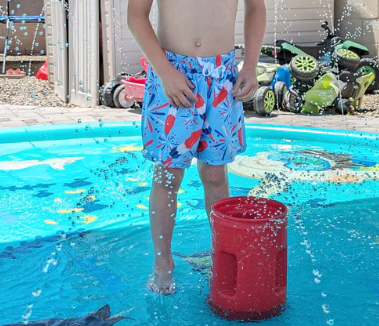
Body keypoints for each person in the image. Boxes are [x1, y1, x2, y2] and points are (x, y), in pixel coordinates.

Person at [128, 0, 267, 295]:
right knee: (168, 175)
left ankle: (222, 256)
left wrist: (251, 65)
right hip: (173, 75)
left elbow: (256, 6)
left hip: (222, 77)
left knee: (216, 175)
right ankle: (162, 261)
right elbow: (136, 16)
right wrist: (164, 72)